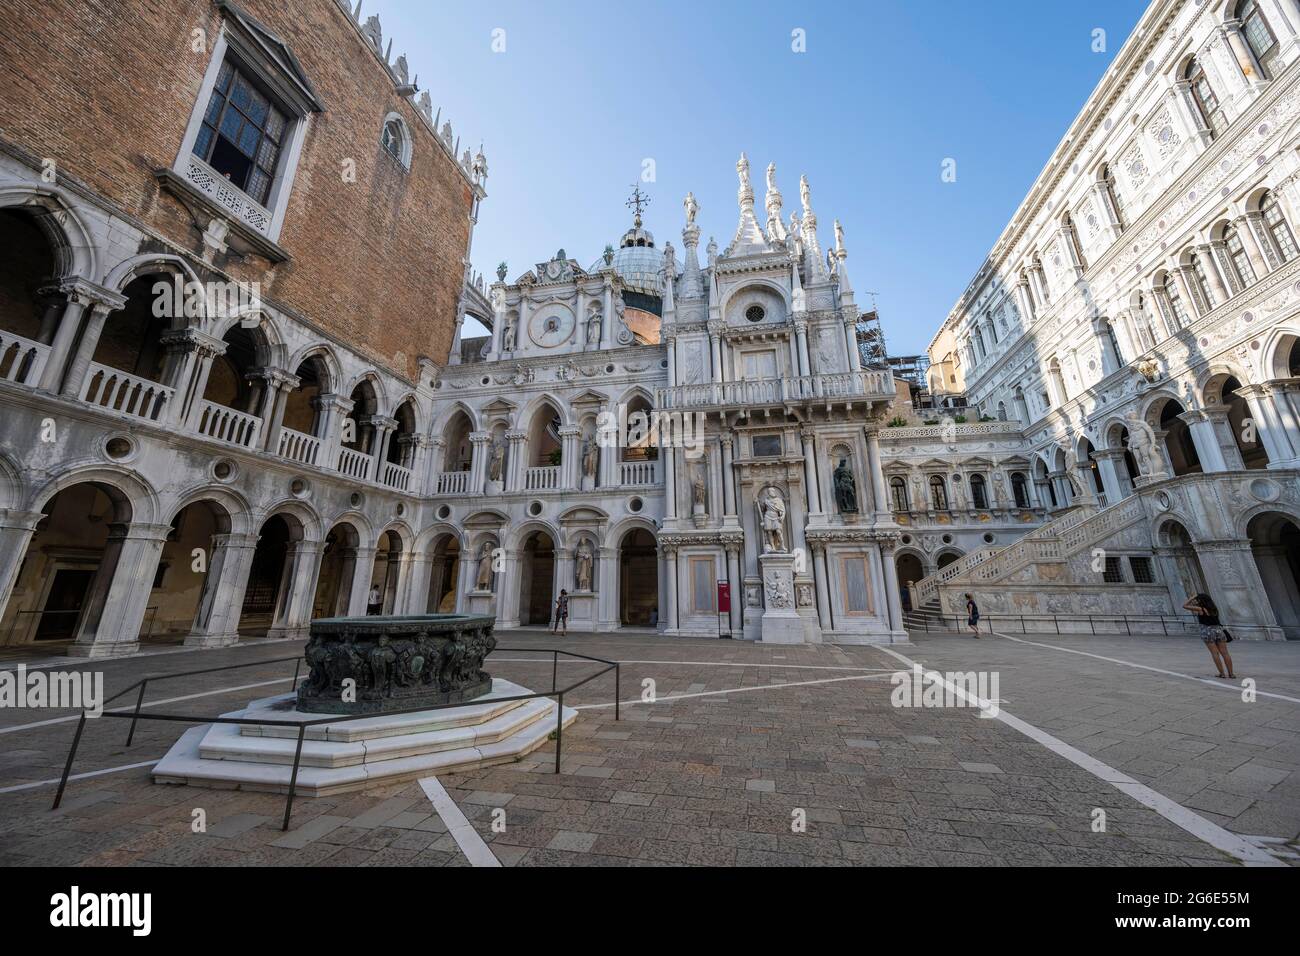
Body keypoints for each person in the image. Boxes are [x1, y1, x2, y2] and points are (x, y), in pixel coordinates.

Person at [1183, 591, 1235, 679]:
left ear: (1201, 601)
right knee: (1225, 653)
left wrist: (1191, 598)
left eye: (1198, 600)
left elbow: (1184, 606)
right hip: (1219, 630)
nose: (1197, 601)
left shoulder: (1201, 609)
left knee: (1215, 653)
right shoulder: (1214, 608)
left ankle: (1222, 673)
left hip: (1208, 631)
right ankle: (1231, 674)